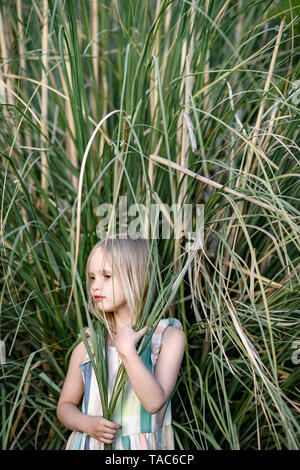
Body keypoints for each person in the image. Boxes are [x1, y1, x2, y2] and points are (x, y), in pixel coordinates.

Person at [57, 235, 186, 450]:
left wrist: (127, 350)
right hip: (91, 444)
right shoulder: (89, 344)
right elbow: (65, 406)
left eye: (107, 276)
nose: (96, 286)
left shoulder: (168, 336)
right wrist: (86, 424)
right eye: (92, 278)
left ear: (137, 277)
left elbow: (154, 402)